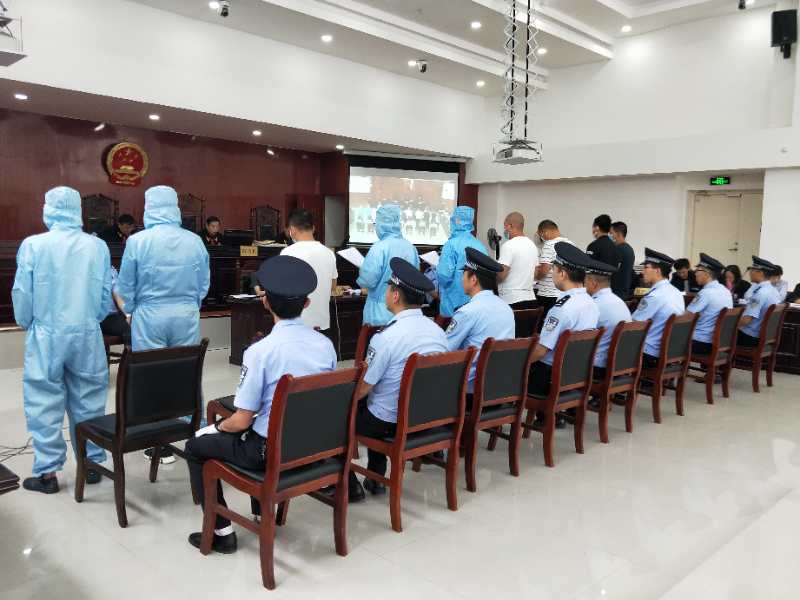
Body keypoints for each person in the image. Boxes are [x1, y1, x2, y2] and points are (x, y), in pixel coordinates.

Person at [184, 256, 337, 554]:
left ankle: (221, 532)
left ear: (265, 302)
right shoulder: (325, 345)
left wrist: (215, 428)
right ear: (306, 304)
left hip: (268, 453)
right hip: (314, 447)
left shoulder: (261, 351)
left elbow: (241, 420)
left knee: (195, 447)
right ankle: (257, 513)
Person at [12, 187, 112, 493]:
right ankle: (91, 464)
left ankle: (47, 473)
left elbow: (22, 292)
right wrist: (91, 319)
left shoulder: (33, 245)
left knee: (43, 401)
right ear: (78, 209)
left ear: (49, 208)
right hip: (87, 332)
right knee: (89, 399)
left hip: (48, 333)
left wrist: (27, 323)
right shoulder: (97, 246)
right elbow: (105, 294)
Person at [116, 185, 210, 464]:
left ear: (148, 207)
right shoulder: (194, 240)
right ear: (175, 207)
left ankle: (158, 442)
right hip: (186, 314)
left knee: (151, 375)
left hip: (150, 315)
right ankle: (194, 430)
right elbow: (204, 282)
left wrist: (131, 310)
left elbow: (126, 284)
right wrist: (191, 304)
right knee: (187, 372)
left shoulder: (137, 241)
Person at [349, 258, 448, 496]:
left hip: (391, 422)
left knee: (354, 407)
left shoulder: (386, 337)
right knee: (379, 399)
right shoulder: (438, 332)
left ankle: (351, 484)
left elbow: (363, 388)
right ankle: (375, 478)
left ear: (395, 296)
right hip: (428, 417)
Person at [528, 243, 599, 428]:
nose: (552, 273)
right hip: (575, 375)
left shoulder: (561, 309)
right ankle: (550, 416)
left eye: (554, 269)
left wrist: (520, 362)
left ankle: (496, 418)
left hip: (549, 379)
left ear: (562, 273)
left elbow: (541, 351)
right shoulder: (591, 303)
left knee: (507, 370)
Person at [445, 248, 515, 392]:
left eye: (464, 274)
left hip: (470, 389)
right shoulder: (506, 308)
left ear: (474, 279)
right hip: (500, 387)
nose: (462, 279)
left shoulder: (467, 312)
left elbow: (445, 350)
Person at [357, 204, 419, 325]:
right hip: (405, 312)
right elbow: (416, 279)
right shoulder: (410, 248)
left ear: (381, 224)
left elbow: (367, 281)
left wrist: (362, 271)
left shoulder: (379, 247)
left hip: (380, 313)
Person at [279, 208, 337, 332]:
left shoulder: (287, 252)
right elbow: (333, 287)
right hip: (321, 324)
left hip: (296, 324)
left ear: (292, 230)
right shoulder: (329, 253)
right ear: (313, 228)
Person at [632, 248, 686, 366]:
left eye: (646, 268)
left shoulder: (655, 296)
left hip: (649, 354)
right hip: (668, 352)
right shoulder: (676, 292)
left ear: (657, 271)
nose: (642, 272)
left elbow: (633, 325)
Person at [585, 258, 631, 379]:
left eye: (585, 281)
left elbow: (578, 337)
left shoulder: (594, 305)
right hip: (620, 366)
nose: (583, 285)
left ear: (594, 283)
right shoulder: (619, 302)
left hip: (597, 368)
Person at [437, 206, 487, 317]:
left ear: (457, 221)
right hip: (476, 303)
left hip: (453, 304)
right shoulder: (480, 246)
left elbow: (444, 276)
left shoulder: (451, 245)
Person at [686, 254, 732, 356]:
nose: (695, 273)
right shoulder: (726, 291)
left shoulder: (706, 293)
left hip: (700, 342)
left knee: (662, 338)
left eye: (698, 270)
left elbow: (686, 317)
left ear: (706, 274)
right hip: (718, 342)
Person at [496, 211, 539, 309]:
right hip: (530, 299)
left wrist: (491, 281)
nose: (505, 229)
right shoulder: (532, 245)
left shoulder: (509, 245)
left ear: (510, 226)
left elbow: (502, 274)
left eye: (505, 226)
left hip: (511, 299)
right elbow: (536, 273)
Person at [738, 256, 782, 347]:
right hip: (764, 337)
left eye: (752, 270)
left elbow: (746, 320)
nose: (750, 273)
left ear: (760, 272)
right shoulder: (774, 291)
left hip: (750, 337)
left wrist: (729, 327)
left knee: (718, 331)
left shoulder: (760, 293)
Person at [534, 220, 574, 314]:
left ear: (544, 232)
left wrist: (536, 275)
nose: (541, 238)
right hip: (566, 293)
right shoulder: (571, 244)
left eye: (540, 235)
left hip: (548, 294)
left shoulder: (549, 245)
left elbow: (544, 271)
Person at [99, 266, 132, 345]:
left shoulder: (110, 269)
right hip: (92, 319)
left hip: (110, 317)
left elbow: (117, 294)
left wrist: (128, 315)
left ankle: (129, 351)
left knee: (135, 325)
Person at [610, 221, 635, 299]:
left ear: (618, 234)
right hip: (624, 291)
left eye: (611, 233)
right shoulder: (630, 249)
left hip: (616, 293)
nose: (609, 236)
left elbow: (610, 271)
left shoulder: (617, 250)